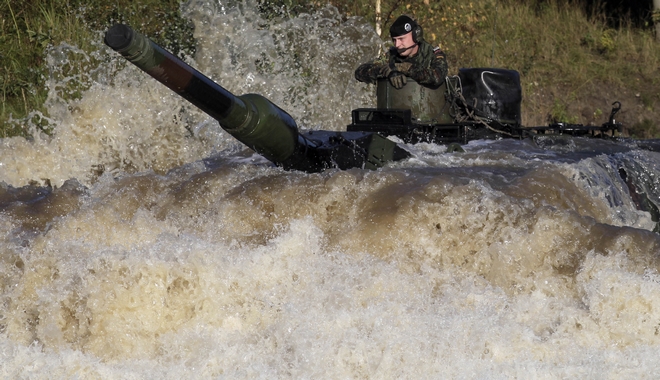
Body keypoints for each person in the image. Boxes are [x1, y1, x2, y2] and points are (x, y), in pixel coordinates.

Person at [355, 15, 448, 90]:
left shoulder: (432, 54)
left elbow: (437, 76)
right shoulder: (392, 56)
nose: (397, 45)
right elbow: (360, 71)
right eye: (394, 40)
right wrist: (387, 73)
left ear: (416, 36)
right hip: (398, 108)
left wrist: (404, 68)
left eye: (401, 39)